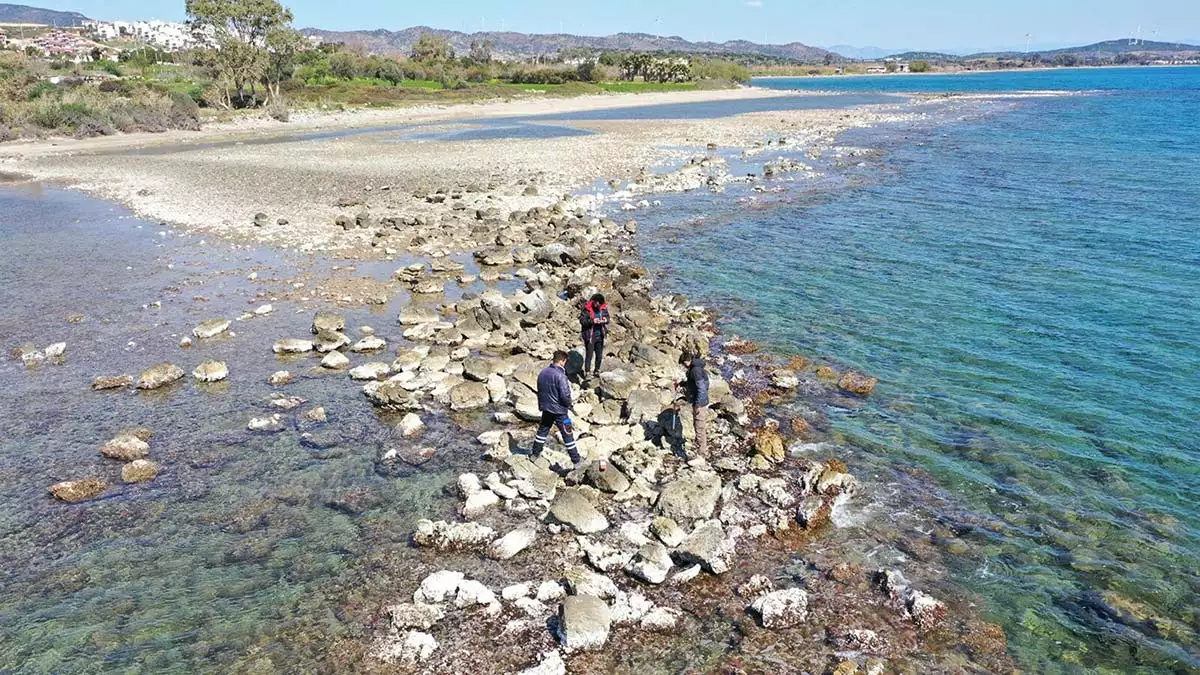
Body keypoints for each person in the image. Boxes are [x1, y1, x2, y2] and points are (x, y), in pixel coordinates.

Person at [533, 350, 582, 464]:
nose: (565, 364)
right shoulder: (561, 376)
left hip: (546, 408)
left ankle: (534, 454)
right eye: (565, 361)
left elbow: (540, 391)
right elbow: (565, 396)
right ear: (561, 361)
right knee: (568, 435)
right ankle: (576, 461)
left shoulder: (543, 373)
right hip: (560, 411)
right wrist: (570, 404)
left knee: (542, 431)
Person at [677, 351, 710, 458]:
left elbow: (702, 388)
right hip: (698, 401)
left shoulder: (695, 370)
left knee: (699, 427)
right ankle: (701, 448)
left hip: (700, 403)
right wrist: (682, 384)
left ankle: (702, 454)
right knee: (698, 426)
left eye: (683, 364)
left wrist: (698, 405)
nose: (684, 366)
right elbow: (692, 383)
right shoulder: (695, 368)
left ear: (687, 361)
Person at [579, 293, 610, 379]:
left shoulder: (603, 308)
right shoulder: (587, 309)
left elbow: (608, 318)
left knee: (599, 355)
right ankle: (587, 372)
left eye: (600, 304)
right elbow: (582, 321)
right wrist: (593, 321)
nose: (598, 305)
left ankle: (597, 370)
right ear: (594, 302)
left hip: (600, 334)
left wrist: (604, 320)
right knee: (589, 355)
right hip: (590, 335)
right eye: (597, 303)